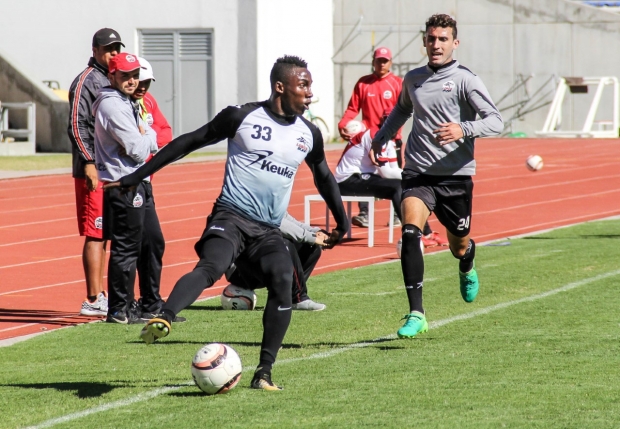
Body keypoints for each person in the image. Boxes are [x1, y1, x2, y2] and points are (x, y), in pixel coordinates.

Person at [104, 55, 348, 390]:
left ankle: (264, 373)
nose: (309, 93)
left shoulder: (309, 133)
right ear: (280, 86)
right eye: (303, 85)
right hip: (230, 217)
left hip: (267, 230)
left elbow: (324, 176)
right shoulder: (241, 117)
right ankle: (165, 317)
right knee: (211, 266)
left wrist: (342, 221)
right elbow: (189, 141)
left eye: (310, 86)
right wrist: (137, 175)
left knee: (283, 279)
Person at [371, 14, 503, 339]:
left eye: (443, 39)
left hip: (455, 178)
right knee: (410, 232)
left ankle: (467, 260)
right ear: (424, 42)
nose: (436, 44)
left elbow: (495, 121)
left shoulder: (466, 80)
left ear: (455, 43)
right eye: (431, 39)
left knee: (458, 245)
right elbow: (402, 109)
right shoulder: (413, 79)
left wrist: (463, 128)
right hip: (417, 172)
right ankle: (417, 313)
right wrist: (381, 136)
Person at [92, 53, 164, 324]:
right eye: (126, 76)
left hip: (138, 181)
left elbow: (154, 136)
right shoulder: (112, 105)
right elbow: (138, 150)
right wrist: (146, 137)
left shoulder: (127, 101)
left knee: (153, 242)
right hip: (123, 184)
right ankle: (119, 310)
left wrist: (146, 136)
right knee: (127, 248)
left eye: (135, 75)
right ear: (112, 76)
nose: (133, 81)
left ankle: (150, 305)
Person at [67, 28, 124, 317]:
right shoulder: (86, 81)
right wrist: (89, 162)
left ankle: (102, 295)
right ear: (95, 50)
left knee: (106, 233)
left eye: (117, 48)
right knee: (96, 231)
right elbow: (77, 125)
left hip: (111, 169)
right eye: (108, 49)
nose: (113, 53)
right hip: (93, 170)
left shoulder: (113, 78)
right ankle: (93, 297)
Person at [337, 46, 404, 229]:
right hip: (367, 141)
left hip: (391, 141)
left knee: (393, 176)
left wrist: (393, 135)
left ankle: (398, 214)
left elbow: (403, 112)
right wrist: (343, 125)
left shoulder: (397, 84)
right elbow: (352, 109)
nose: (381, 64)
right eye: (378, 60)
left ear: (390, 62)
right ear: (373, 61)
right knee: (363, 172)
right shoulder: (363, 83)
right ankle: (364, 213)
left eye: (385, 61)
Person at [226, 212, 329, 311]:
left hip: (260, 261)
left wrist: (317, 232)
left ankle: (286, 295)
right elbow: (278, 224)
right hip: (239, 271)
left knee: (311, 246)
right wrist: (312, 237)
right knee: (284, 243)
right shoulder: (254, 203)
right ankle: (298, 299)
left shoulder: (272, 202)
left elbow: (289, 220)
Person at [335, 111, 403, 227]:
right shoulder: (374, 135)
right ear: (383, 121)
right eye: (390, 120)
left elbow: (394, 169)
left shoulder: (390, 141)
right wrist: (415, 177)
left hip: (363, 176)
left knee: (406, 185)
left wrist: (414, 177)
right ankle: (411, 231)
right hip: (346, 180)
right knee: (398, 186)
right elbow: (386, 173)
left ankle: (420, 230)